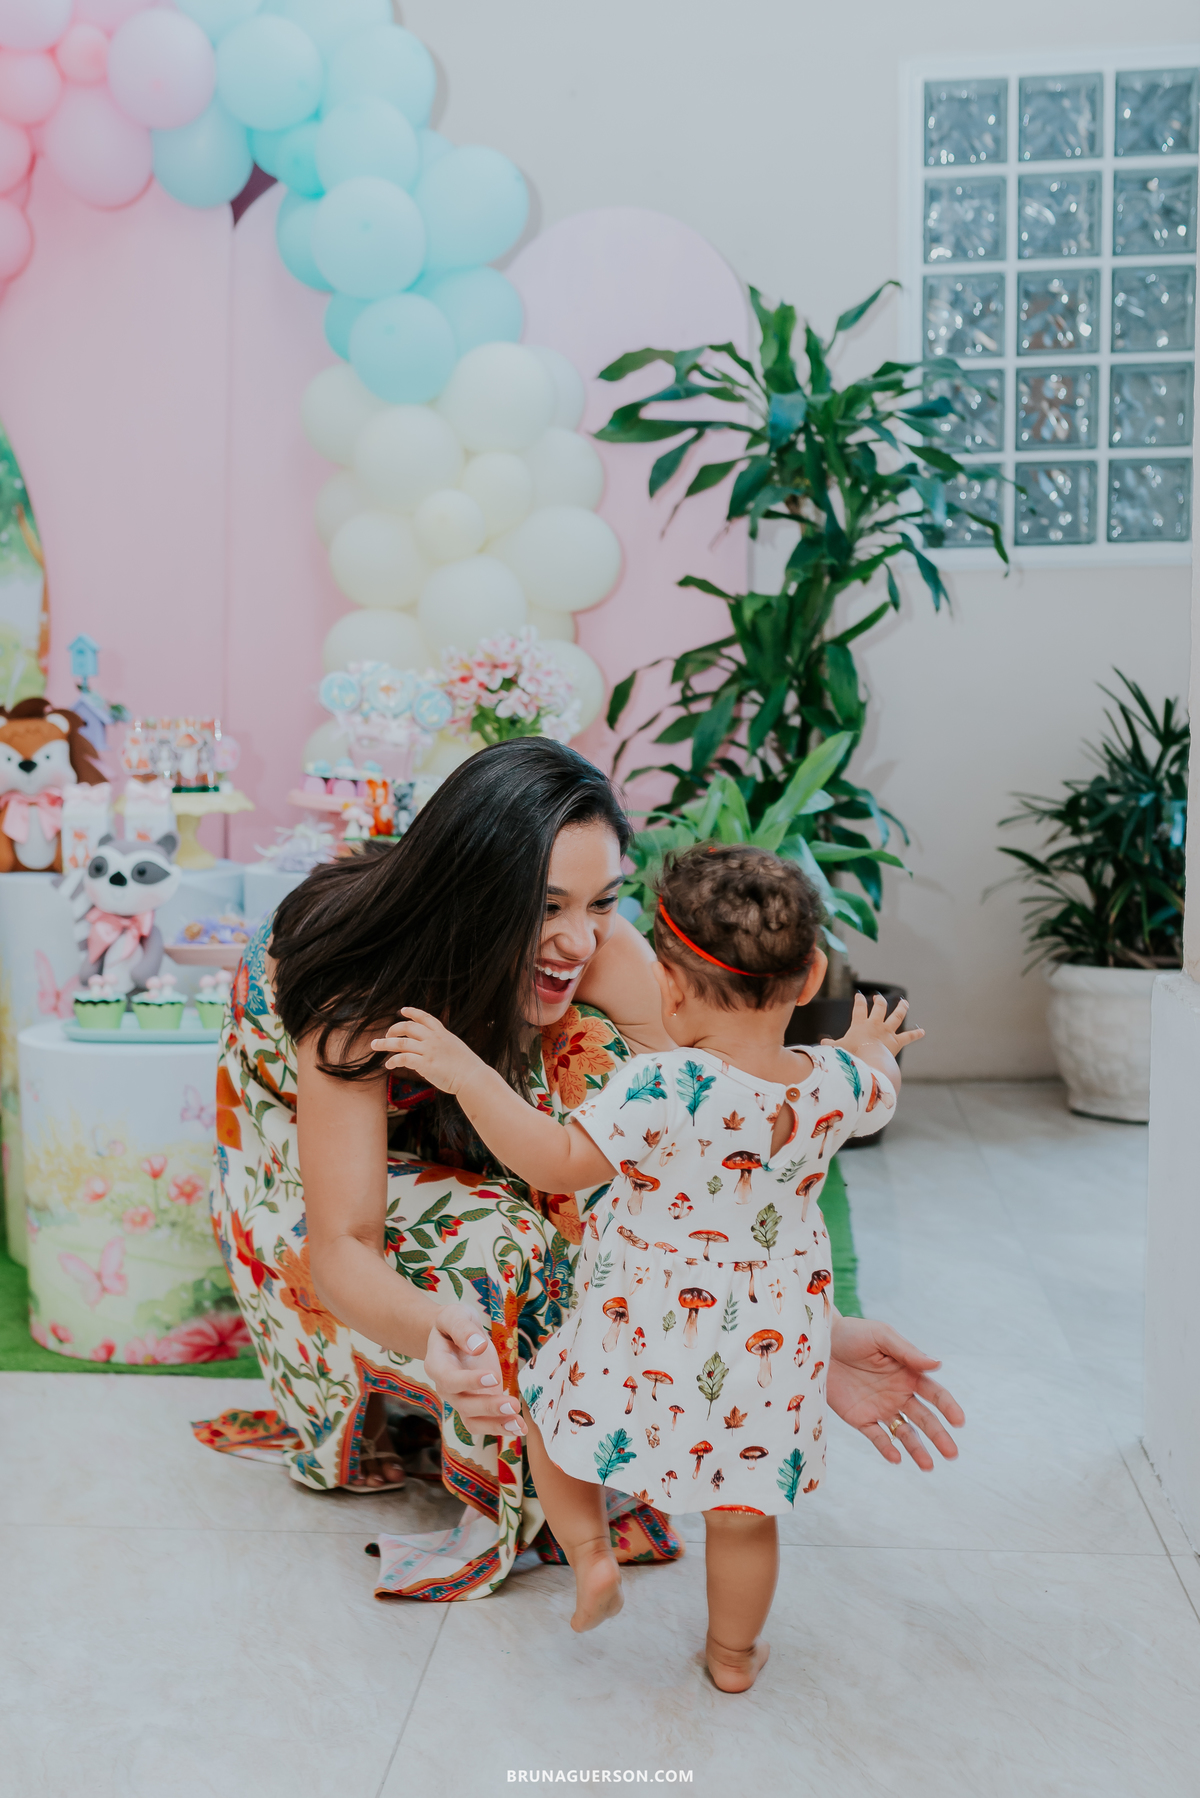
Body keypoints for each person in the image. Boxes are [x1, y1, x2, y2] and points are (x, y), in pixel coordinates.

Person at [210, 738, 963, 1605]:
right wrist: (428, 1328)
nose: (578, 938)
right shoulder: (357, 997)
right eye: (545, 905)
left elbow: (728, 1130)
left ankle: (576, 1421)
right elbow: (342, 1241)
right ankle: (510, 1455)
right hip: (297, 1127)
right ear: (474, 894)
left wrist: (802, 1337)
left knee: (634, 1096)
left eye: (604, 900)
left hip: (464, 1090)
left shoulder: (593, 946)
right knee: (495, 1241)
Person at [374, 838, 965, 1670]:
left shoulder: (663, 1088)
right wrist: (869, 1045)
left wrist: (468, 1072)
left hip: (640, 1326)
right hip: (775, 1343)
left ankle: (591, 1560)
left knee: (550, 1420)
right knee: (743, 1514)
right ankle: (731, 1652)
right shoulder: (834, 1084)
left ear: (672, 987)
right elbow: (880, 1083)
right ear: (805, 984)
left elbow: (553, 1159)